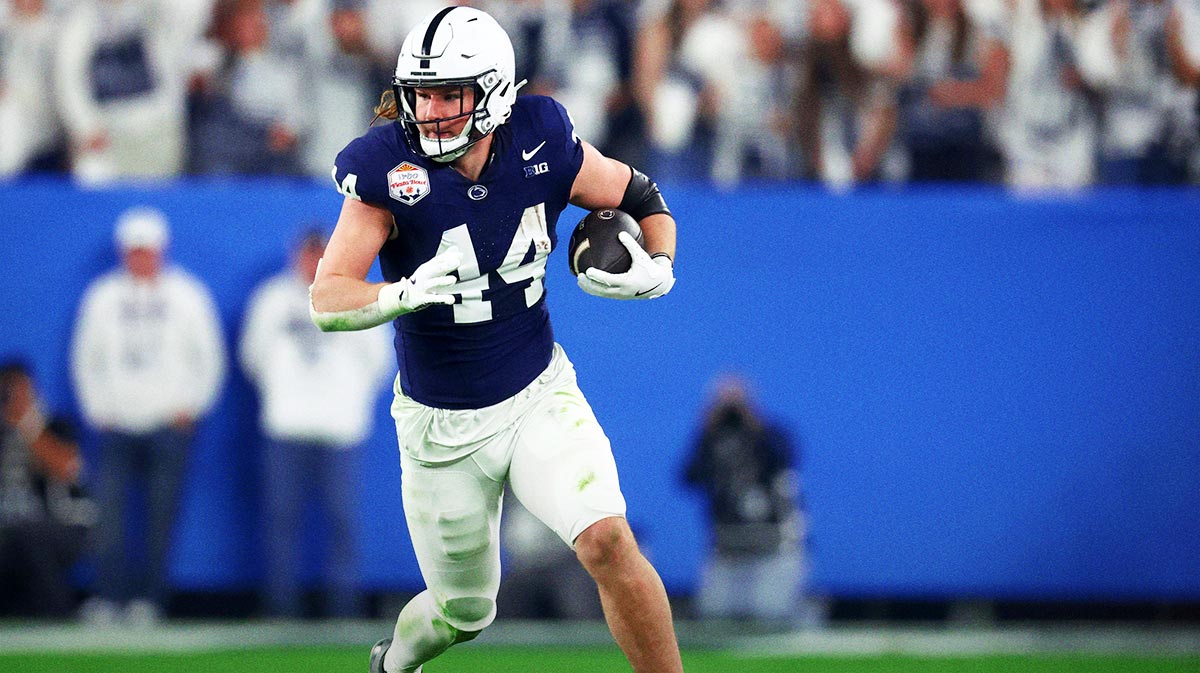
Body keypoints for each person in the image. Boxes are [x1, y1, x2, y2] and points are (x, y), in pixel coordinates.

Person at [307, 7, 682, 673]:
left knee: (607, 539)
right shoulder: (385, 168)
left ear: (495, 91)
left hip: (538, 393)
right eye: (422, 93)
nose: (432, 111)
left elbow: (641, 194)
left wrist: (660, 266)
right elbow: (328, 294)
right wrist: (399, 294)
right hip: (440, 425)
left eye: (451, 93)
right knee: (464, 611)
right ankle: (394, 662)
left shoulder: (540, 139)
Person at [70, 206, 227, 625]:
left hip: (167, 423)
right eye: (133, 251)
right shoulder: (103, 295)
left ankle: (150, 600)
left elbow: (208, 357)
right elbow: (86, 357)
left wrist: (190, 408)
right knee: (109, 516)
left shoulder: (187, 294)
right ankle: (108, 597)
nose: (140, 258)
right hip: (117, 422)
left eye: (147, 250)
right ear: (124, 252)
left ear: (161, 250)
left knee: (161, 517)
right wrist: (97, 409)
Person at [240, 227, 392, 618]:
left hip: (340, 427)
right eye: (308, 254)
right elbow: (252, 356)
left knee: (341, 521)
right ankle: (280, 609)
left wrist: (347, 401)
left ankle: (343, 610)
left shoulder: (355, 295)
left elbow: (380, 362)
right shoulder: (272, 299)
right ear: (297, 256)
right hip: (286, 425)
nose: (312, 262)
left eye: (319, 254)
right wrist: (284, 395)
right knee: (280, 520)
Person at [683, 374, 814, 625]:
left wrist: (755, 423)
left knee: (771, 617)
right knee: (717, 616)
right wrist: (705, 432)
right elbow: (688, 477)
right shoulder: (710, 439)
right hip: (727, 542)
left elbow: (786, 461)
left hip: (771, 540)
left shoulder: (770, 434)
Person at [0, 359, 94, 618]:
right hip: (9, 530)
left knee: (28, 534)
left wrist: (26, 424)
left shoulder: (54, 425)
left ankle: (60, 614)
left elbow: (66, 468)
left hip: (62, 526)